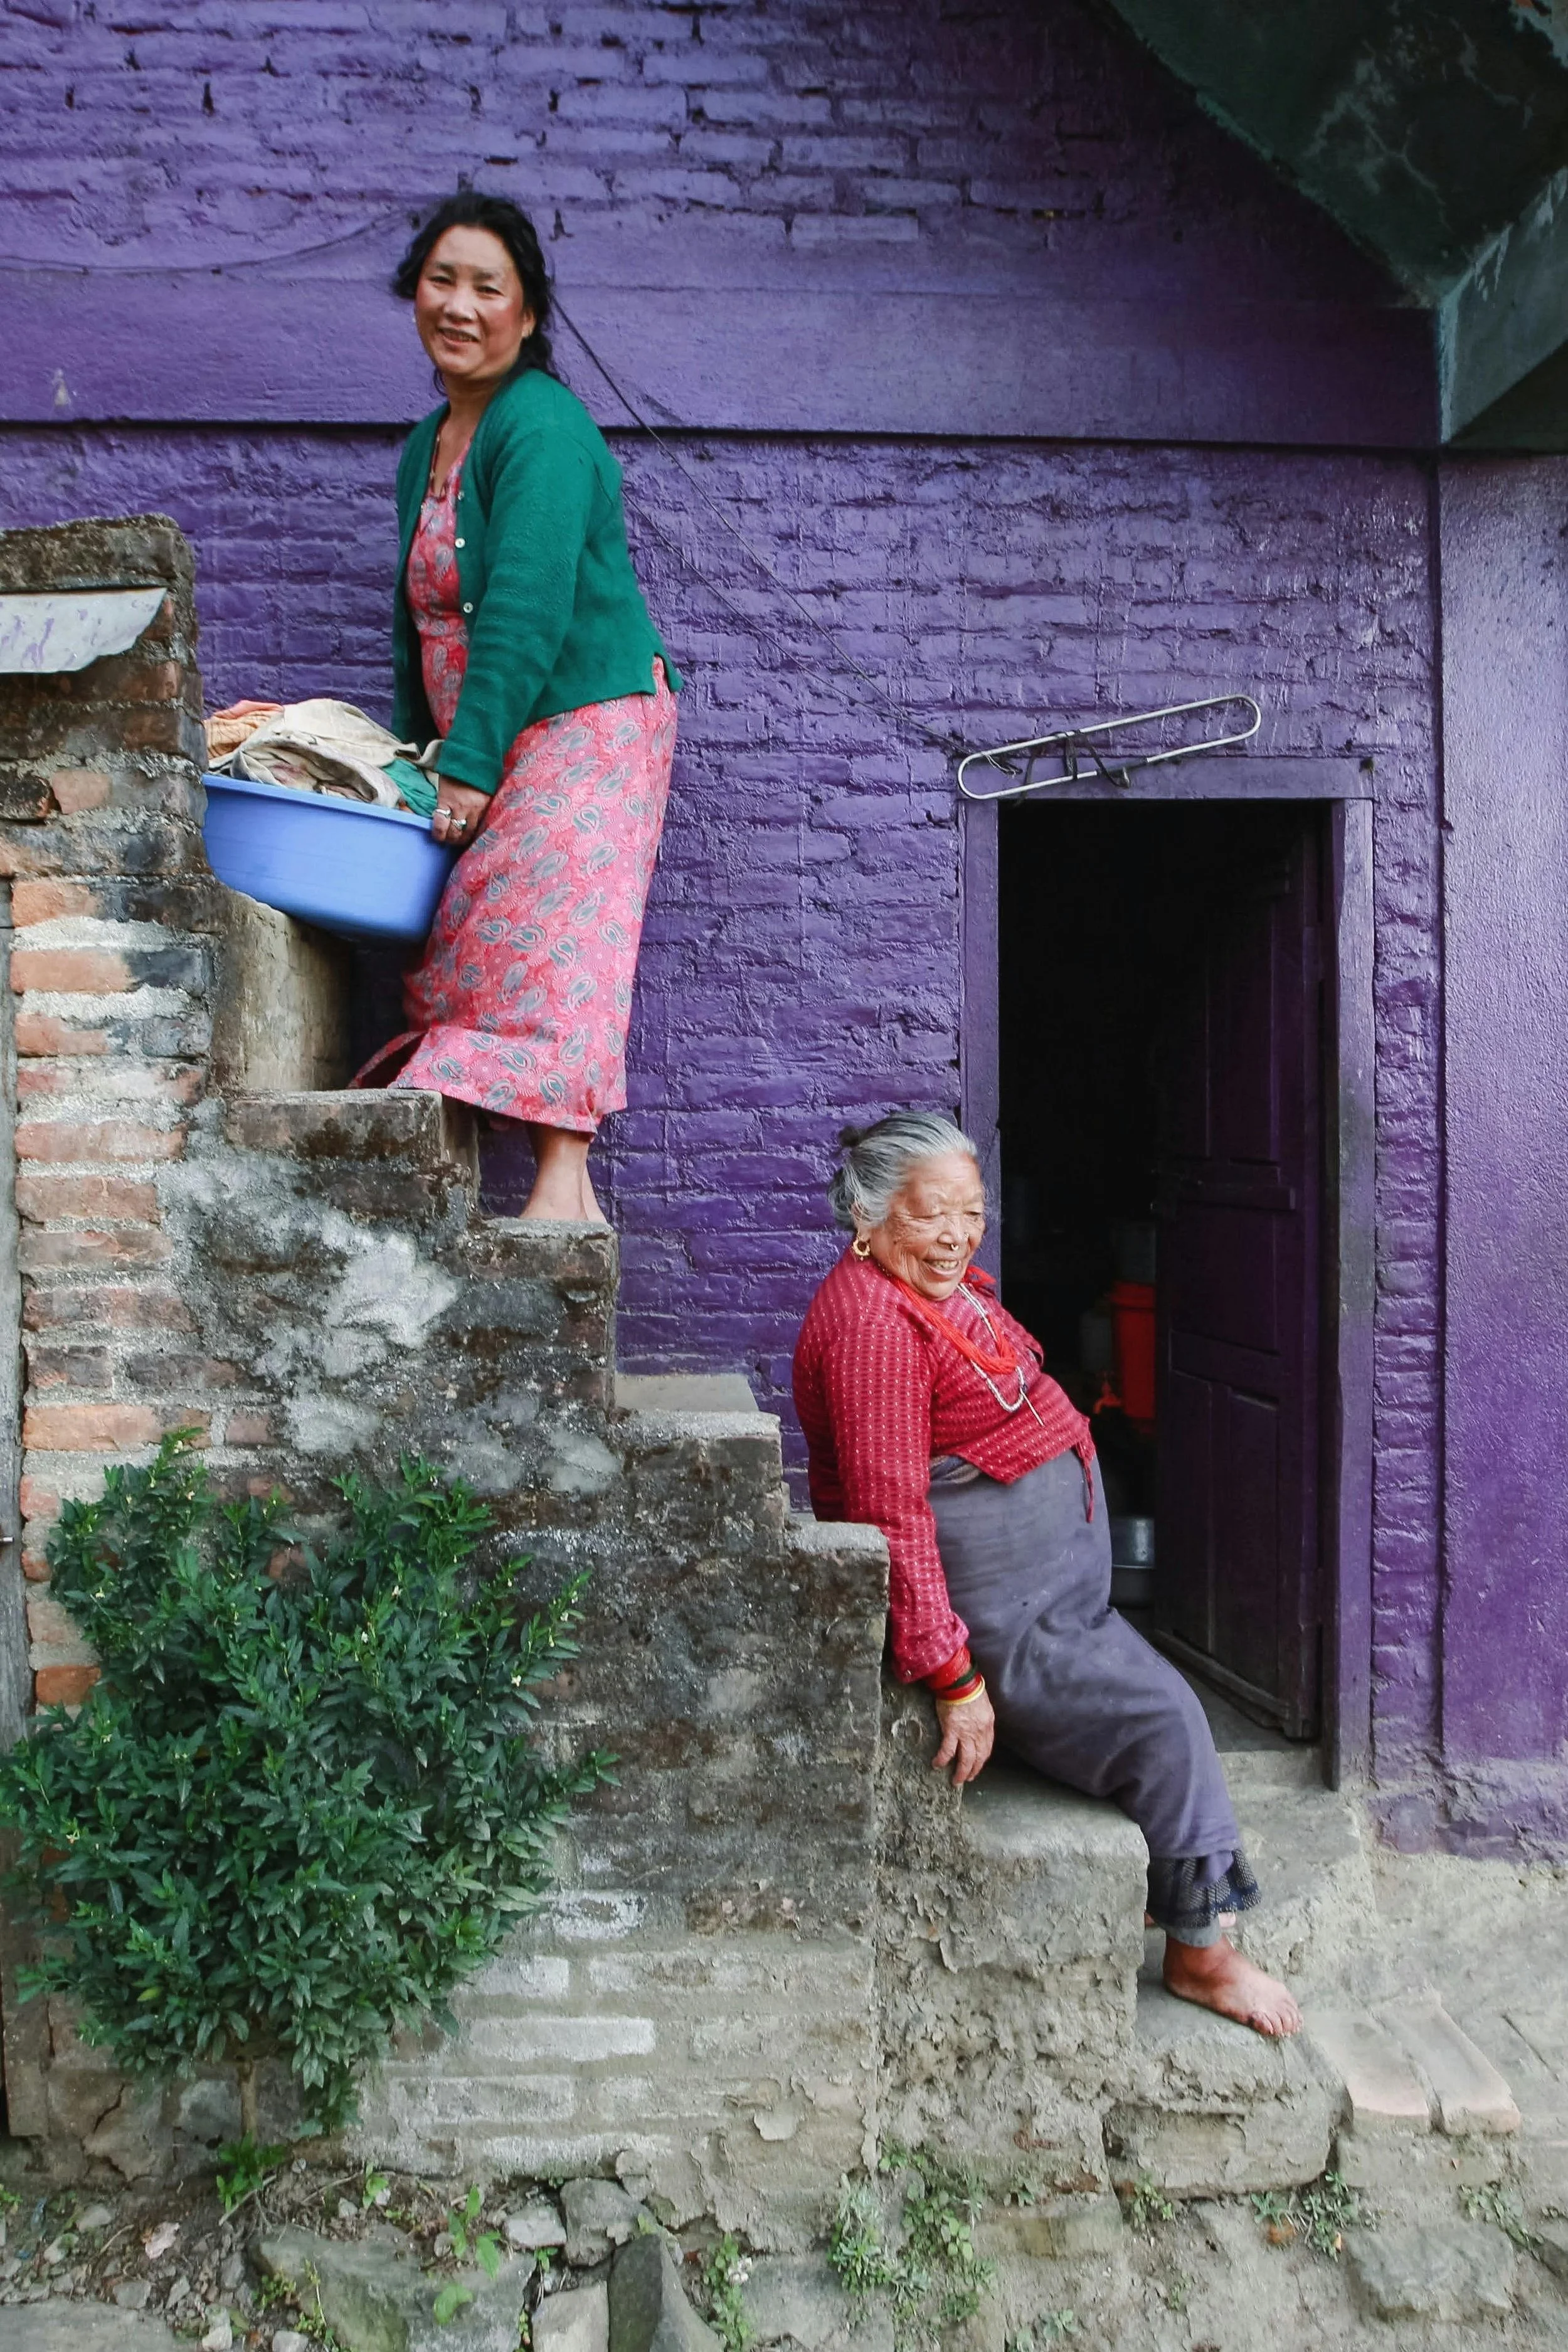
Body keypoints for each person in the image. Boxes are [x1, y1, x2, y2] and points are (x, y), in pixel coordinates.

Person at [793, 1111, 1302, 2039]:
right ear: (867, 1218)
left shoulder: (927, 1293)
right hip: (1009, 1630)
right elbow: (889, 1513)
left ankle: (1172, 1889)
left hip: (1056, 1604)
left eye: (972, 1212)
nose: (957, 1235)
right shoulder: (873, 1325)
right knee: (1169, 1721)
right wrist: (954, 1678)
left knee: (1147, 1703)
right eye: (931, 1215)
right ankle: (1202, 1957)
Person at [353, 191, 680, 1222]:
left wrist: (473, 760)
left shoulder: (540, 425)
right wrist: (423, 754)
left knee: (553, 931)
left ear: (528, 315)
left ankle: (559, 1182)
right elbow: (419, 618)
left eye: (487, 288)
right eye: (441, 280)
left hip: (582, 718)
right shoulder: (427, 444)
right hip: (489, 733)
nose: (459, 305)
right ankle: (559, 1190)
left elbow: (528, 605)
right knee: (475, 926)